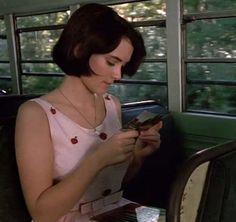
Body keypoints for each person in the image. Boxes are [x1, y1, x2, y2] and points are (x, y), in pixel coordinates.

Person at [15, 3, 162, 222]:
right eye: (111, 62)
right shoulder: (35, 114)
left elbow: (112, 186)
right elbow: (42, 213)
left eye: (123, 65)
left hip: (114, 210)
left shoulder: (113, 104)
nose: (118, 75)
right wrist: (98, 158)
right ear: (80, 50)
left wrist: (137, 157)